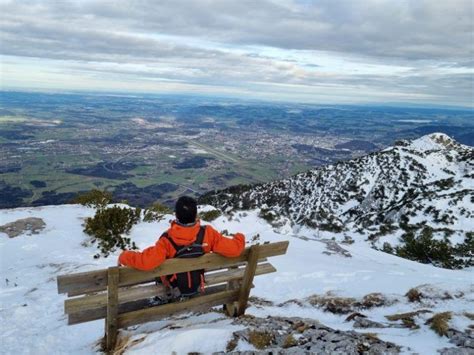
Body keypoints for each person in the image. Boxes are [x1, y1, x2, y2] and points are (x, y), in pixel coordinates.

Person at [118, 196, 246, 271]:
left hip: (175, 285)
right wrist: (239, 237)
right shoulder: (208, 233)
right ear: (196, 215)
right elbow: (235, 250)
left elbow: (146, 261)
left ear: (176, 215)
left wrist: (124, 256)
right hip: (197, 282)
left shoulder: (167, 240)